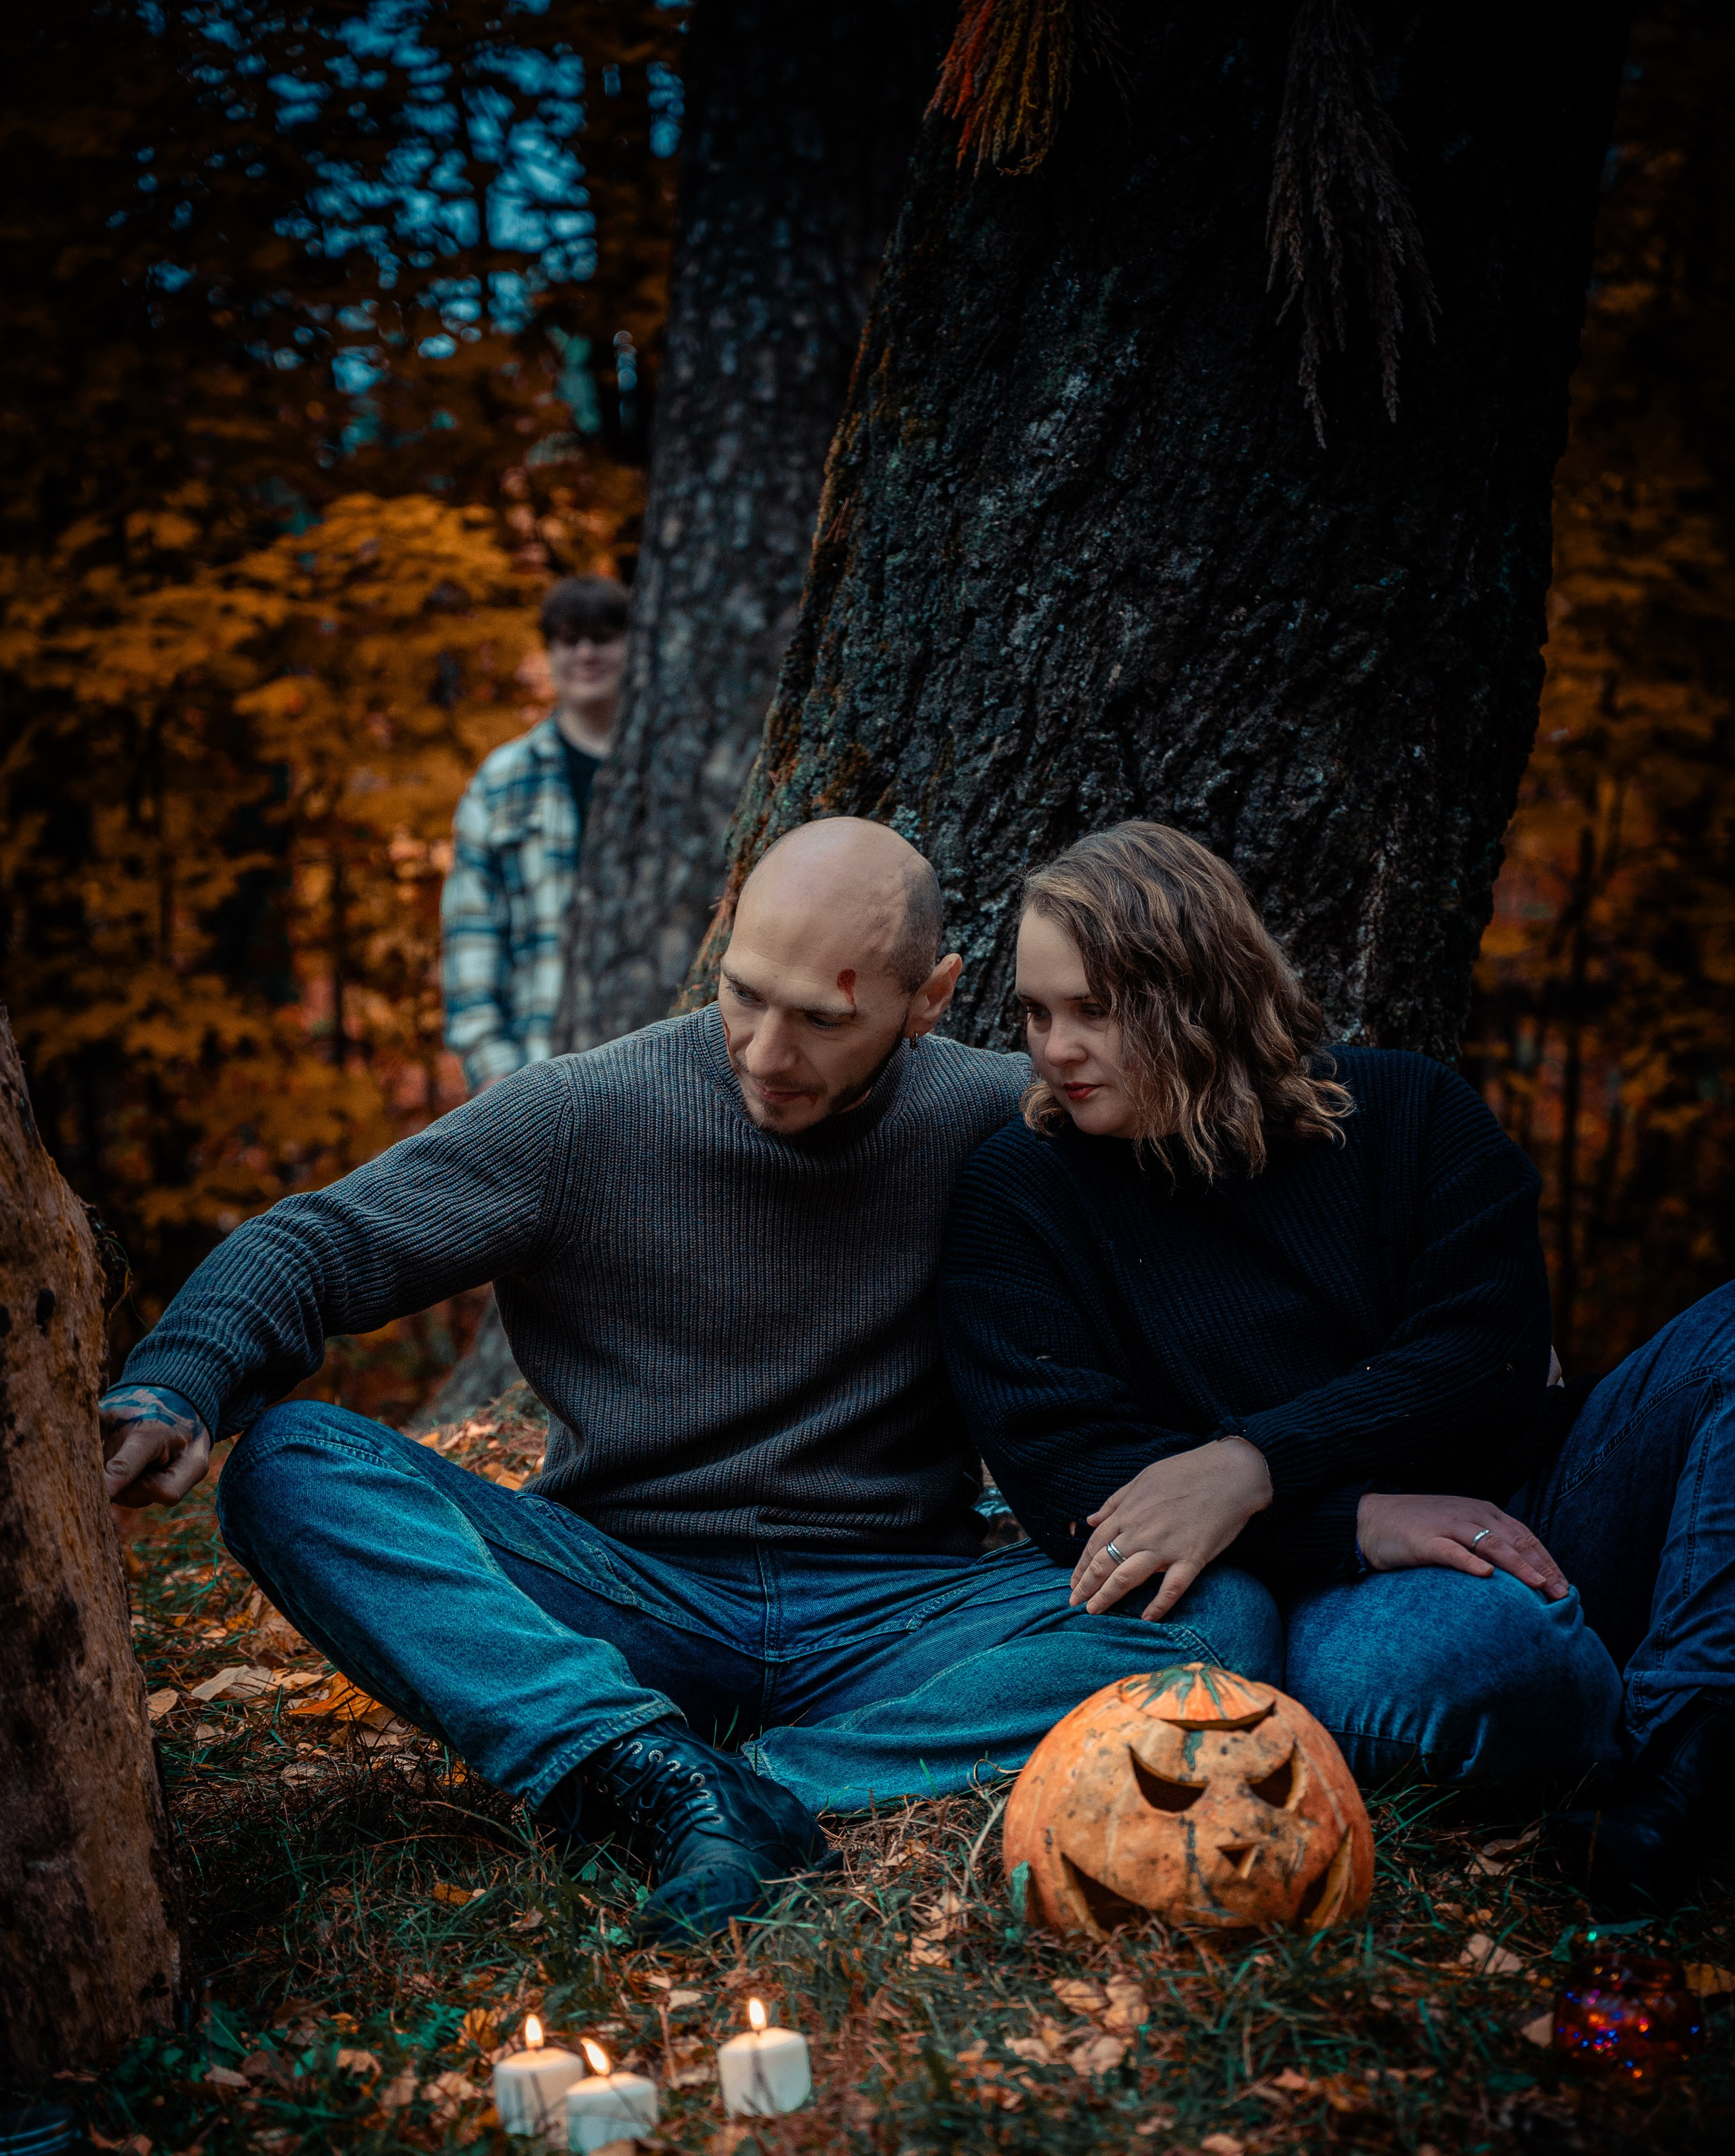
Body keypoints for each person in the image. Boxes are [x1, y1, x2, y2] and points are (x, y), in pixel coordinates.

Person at [97, 819, 1280, 1942]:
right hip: (625, 1591)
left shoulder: (993, 1113)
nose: (768, 1053)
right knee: (297, 1466)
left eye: (821, 1020)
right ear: (723, 941)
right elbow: (322, 1244)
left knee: (1222, 1618)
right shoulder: (582, 1112)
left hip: (896, 1607)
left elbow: (1208, 1209)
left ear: (929, 999)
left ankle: (727, 1785)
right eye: (745, 994)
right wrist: (181, 1376)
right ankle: (645, 1756)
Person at [939, 821, 1734, 1916]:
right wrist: (1351, 1521)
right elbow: (1077, 1481)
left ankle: (1680, 1764)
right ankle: (1602, 1699)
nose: (1056, 1046)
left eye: (1097, 1008)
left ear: (1205, 990)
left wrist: (1256, 1459)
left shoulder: (1411, 1112)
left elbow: (1488, 1354)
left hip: (1550, 1491)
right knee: (1498, 1668)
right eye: (1037, 1011)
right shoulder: (1018, 1194)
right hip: (1320, 1586)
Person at [441, 573, 628, 1094]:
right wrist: (496, 1076)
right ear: (550, 653)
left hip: (670, 1067)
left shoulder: (680, 776)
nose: (586, 653)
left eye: (604, 637)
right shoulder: (503, 781)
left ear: (635, 644)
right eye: (569, 640)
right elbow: (472, 935)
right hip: (542, 1074)